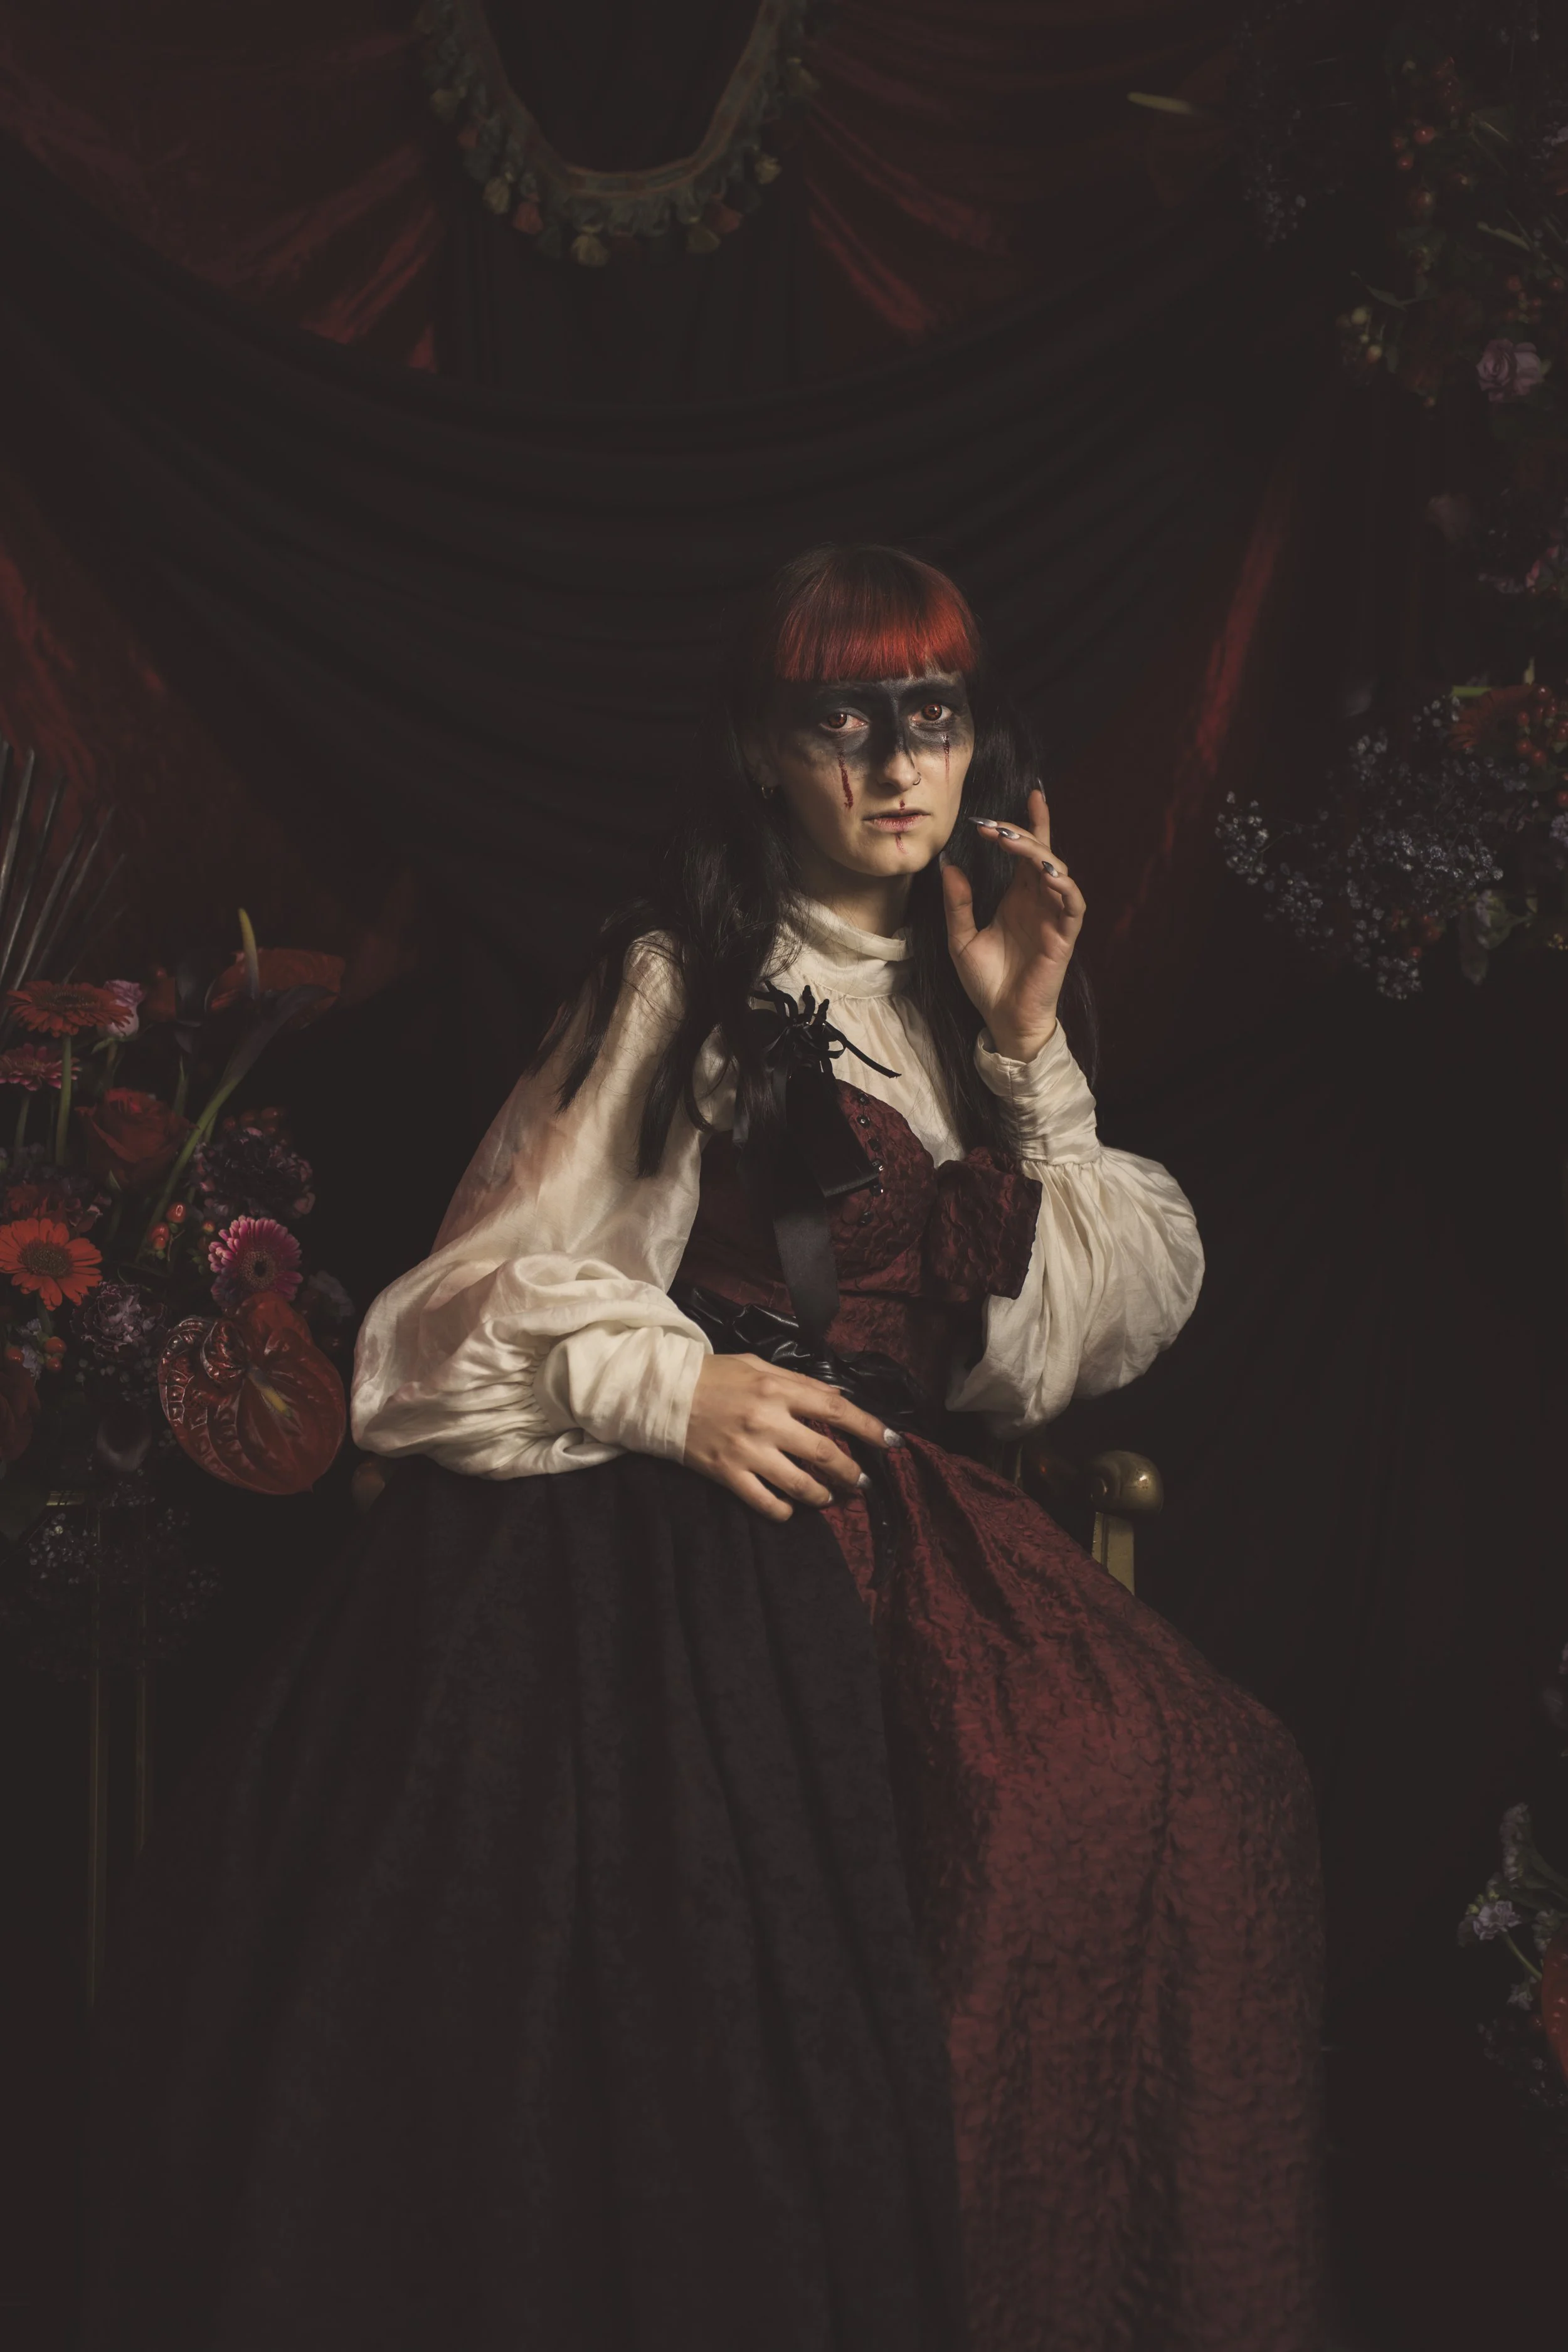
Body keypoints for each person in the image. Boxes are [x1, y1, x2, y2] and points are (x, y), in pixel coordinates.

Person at [84, 546, 1323, 2352]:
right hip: (693, 1523)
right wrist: (683, 1387)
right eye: (846, 722)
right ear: (763, 747)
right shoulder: (680, 979)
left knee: (1206, 1774)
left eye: (935, 718)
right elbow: (455, 1303)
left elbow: (1043, 1349)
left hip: (906, 1505)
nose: (899, 767)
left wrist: (1027, 1035)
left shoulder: (971, 994)